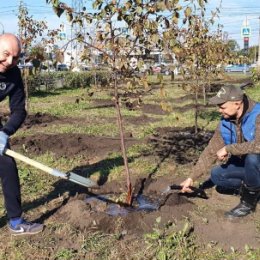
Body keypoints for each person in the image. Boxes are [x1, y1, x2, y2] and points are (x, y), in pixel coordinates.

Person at [180, 85, 260, 218]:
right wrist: (191, 177)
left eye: (222, 107)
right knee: (217, 175)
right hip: (249, 168)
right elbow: (211, 151)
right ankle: (254, 188)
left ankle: (248, 203)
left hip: (256, 162)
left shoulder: (258, 115)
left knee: (253, 157)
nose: (219, 110)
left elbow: (258, 145)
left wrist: (229, 149)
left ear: (237, 104)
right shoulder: (226, 121)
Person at [0, 33, 43, 234]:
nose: (9, 61)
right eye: (6, 54)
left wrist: (5, 133)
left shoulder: (13, 74)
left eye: (15, 57)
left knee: (7, 165)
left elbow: (19, 110)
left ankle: (16, 221)